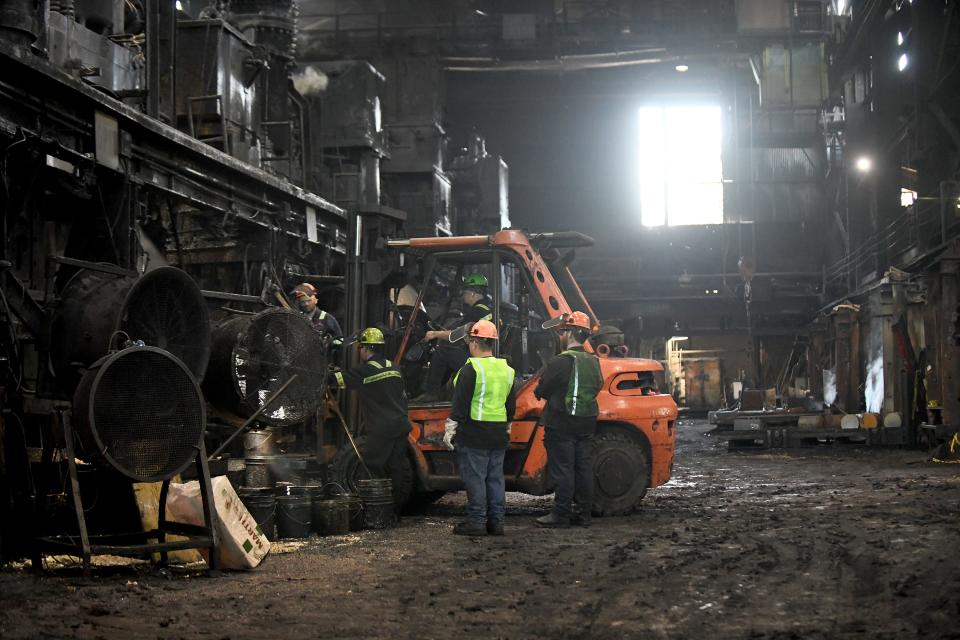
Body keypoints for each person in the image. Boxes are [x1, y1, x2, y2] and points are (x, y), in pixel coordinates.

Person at [443, 320, 517, 536]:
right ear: (492, 343)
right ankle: (497, 523)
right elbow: (510, 405)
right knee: (495, 478)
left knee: (475, 478)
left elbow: (460, 403)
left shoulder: (470, 368)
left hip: (474, 434)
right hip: (498, 434)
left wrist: (450, 429)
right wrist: (508, 426)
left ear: (474, 342)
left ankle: (476, 522)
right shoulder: (507, 370)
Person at [534, 311, 602, 528]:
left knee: (563, 470)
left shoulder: (561, 361)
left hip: (561, 423)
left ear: (571, 334)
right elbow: (597, 385)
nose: (561, 335)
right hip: (586, 422)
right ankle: (584, 515)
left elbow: (542, 390)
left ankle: (560, 515)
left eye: (563, 331)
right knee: (583, 468)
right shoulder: (593, 361)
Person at [331, 327, 411, 487]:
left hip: (382, 428)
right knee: (395, 468)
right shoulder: (395, 367)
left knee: (372, 467)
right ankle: (394, 507)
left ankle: (375, 507)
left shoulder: (365, 371)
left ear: (365, 348)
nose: (359, 351)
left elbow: (337, 380)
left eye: (360, 347)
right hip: (401, 425)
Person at [412, 273, 493, 403]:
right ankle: (443, 394)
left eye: (465, 291)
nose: (463, 294)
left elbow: (455, 336)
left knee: (442, 352)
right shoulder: (489, 308)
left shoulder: (476, 311)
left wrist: (434, 334)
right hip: (487, 354)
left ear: (473, 293)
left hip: (478, 358)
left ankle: (431, 393)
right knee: (452, 353)